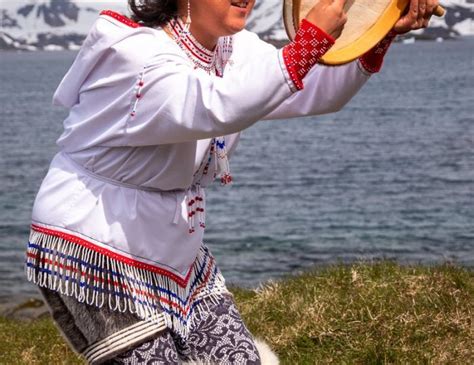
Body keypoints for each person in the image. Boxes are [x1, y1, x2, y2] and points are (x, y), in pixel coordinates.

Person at [25, 0, 440, 363]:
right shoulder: (134, 54)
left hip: (172, 247)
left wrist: (377, 30)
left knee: (240, 359)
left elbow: (315, 90)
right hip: (92, 240)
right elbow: (213, 104)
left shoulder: (234, 48)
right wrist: (307, 45)